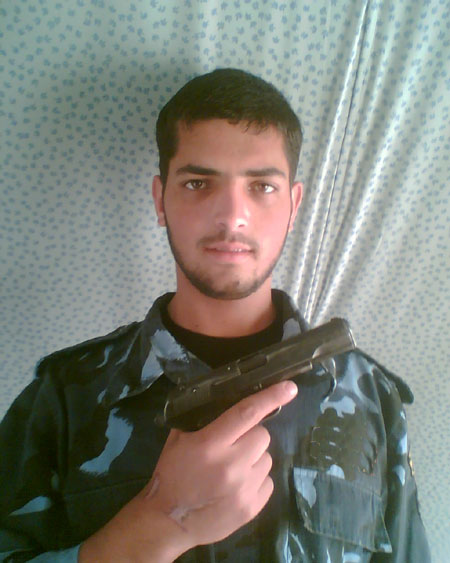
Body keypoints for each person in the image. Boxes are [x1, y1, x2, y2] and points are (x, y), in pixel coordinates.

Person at [0, 68, 430, 562]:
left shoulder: (371, 397)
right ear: (161, 200)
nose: (231, 216)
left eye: (262, 186)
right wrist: (156, 526)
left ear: (294, 206)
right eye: (198, 182)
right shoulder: (64, 398)